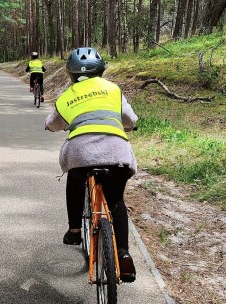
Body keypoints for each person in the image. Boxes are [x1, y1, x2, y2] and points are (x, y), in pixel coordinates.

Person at [44, 47, 138, 283]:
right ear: (102, 71)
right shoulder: (113, 90)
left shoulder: (68, 95)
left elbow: (53, 124)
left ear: (71, 74)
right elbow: (130, 120)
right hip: (117, 153)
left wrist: (53, 126)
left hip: (80, 154)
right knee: (116, 200)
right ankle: (123, 253)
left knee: (75, 178)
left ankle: (75, 230)